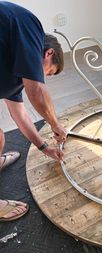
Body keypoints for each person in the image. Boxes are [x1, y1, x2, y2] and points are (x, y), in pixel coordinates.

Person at [0, 1, 67, 221]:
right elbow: (36, 90)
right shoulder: (29, 25)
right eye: (49, 72)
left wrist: (44, 147)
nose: (44, 77)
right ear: (48, 53)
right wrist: (55, 125)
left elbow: (19, 113)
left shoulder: (15, 64)